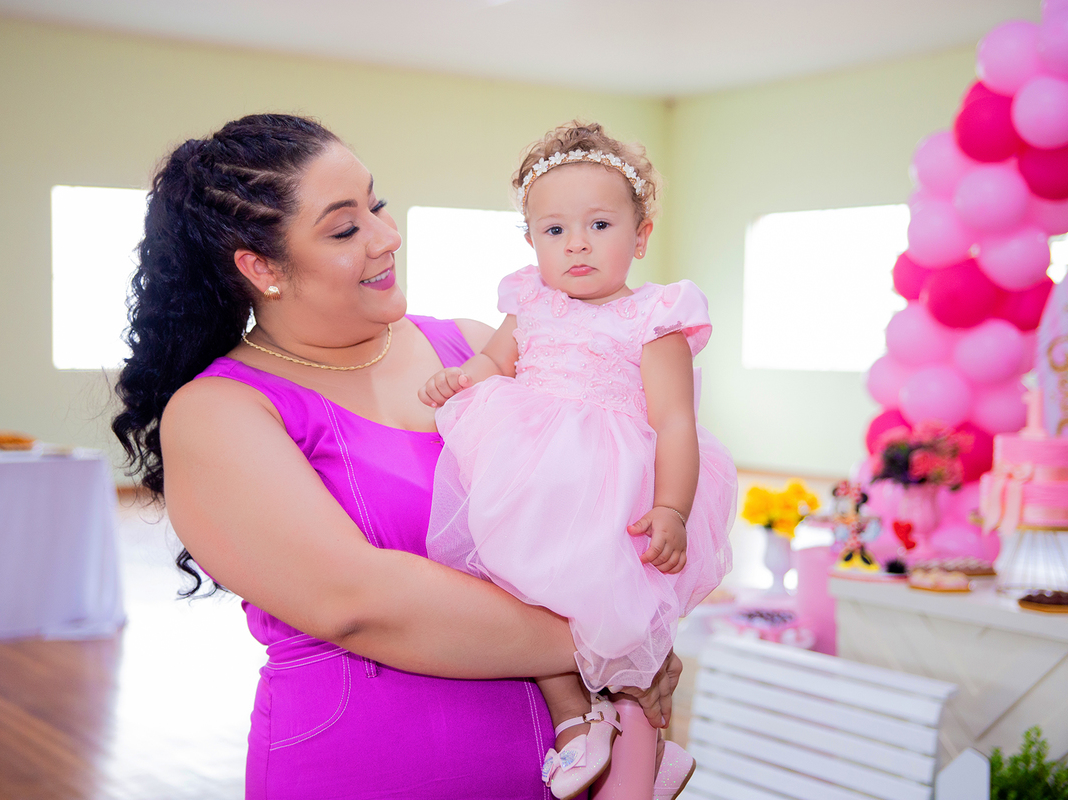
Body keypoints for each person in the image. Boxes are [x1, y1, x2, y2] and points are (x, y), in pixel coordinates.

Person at [111, 114, 682, 800]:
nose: (387, 235)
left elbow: (612, 500)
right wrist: (618, 642)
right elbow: (358, 601)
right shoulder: (220, 413)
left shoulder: (473, 350)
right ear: (261, 267)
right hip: (369, 772)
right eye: (346, 227)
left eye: (376, 203)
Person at [420, 122, 737, 800]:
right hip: (536, 478)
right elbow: (495, 362)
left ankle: (646, 755)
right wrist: (463, 378)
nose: (578, 244)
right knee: (523, 596)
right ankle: (576, 722)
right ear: (531, 241)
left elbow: (676, 422)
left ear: (641, 234)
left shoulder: (655, 318)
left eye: (599, 223)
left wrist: (674, 508)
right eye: (555, 231)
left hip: (616, 490)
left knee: (617, 623)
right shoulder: (530, 302)